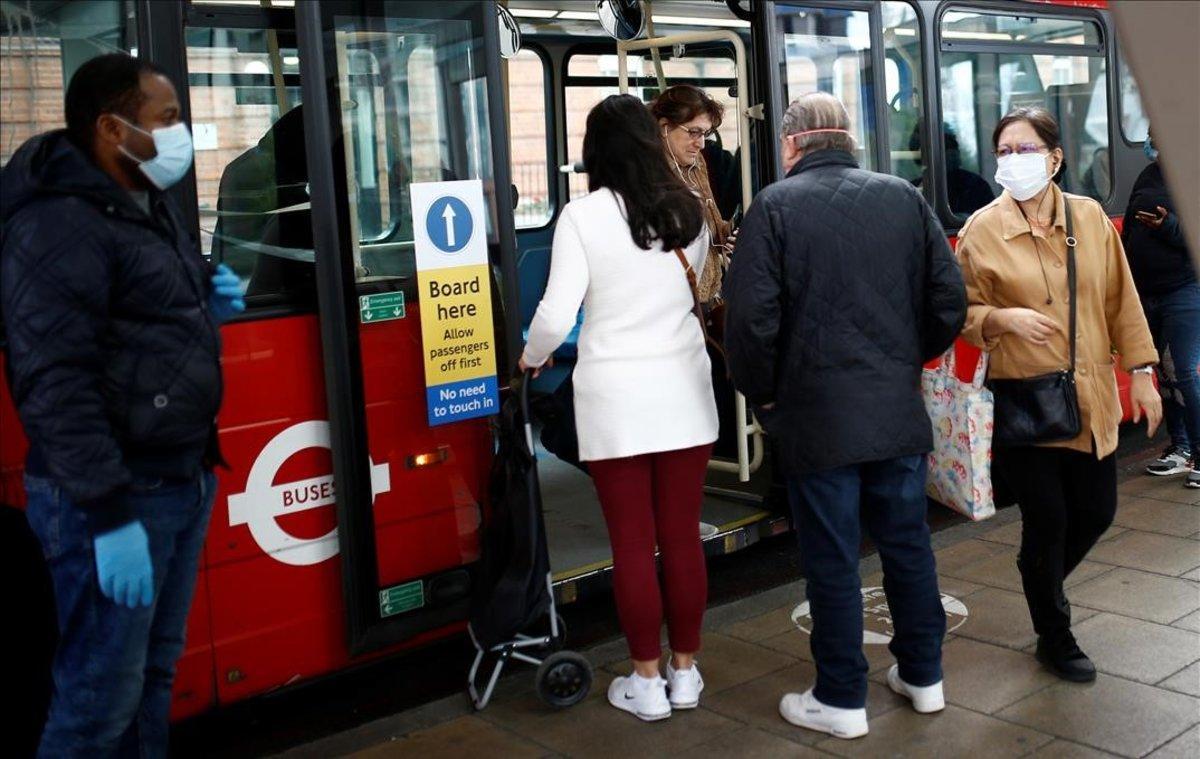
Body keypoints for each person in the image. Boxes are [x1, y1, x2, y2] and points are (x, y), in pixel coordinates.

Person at [0, 53, 243, 757]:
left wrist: (206, 297)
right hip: (116, 496)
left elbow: (143, 314)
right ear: (111, 127)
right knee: (96, 703)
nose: (181, 133)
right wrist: (107, 516)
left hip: (179, 476)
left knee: (152, 677)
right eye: (167, 118)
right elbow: (55, 381)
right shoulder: (58, 222)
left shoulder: (141, 200)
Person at [724, 92, 966, 739]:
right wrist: (903, 359)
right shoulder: (903, 197)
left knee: (832, 559)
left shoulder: (773, 207)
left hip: (815, 418)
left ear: (793, 144)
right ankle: (924, 676)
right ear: (848, 140)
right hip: (894, 412)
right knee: (908, 546)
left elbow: (750, 324)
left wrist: (766, 395)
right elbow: (950, 298)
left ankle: (840, 697)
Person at [519, 94, 715, 722]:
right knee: (682, 538)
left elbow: (555, 314)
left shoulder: (583, 216)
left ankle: (647, 682)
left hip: (616, 401)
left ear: (594, 150)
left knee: (633, 546)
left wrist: (531, 357)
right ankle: (686, 672)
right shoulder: (691, 213)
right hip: (684, 392)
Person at [957, 106, 1161, 683]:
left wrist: (1142, 371)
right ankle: (1055, 631)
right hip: (1026, 402)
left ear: (1054, 158)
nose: (1012, 161)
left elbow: (1122, 299)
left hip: (1091, 395)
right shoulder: (982, 230)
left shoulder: (1090, 218)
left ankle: (1038, 575)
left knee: (1096, 512)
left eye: (1024, 149)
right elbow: (959, 311)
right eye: (1002, 151)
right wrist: (1001, 318)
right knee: (1046, 518)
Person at [1123, 129, 1199, 486]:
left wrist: (1167, 225)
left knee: (1186, 372)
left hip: (1184, 290)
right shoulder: (1149, 176)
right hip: (1149, 292)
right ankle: (1181, 449)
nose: (1154, 141)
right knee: (1166, 376)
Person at [651, 84, 734, 305]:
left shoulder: (697, 163)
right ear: (664, 127)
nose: (701, 143)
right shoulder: (651, 172)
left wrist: (727, 233)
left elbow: (711, 220)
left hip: (708, 294)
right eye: (694, 132)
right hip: (672, 300)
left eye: (705, 133)